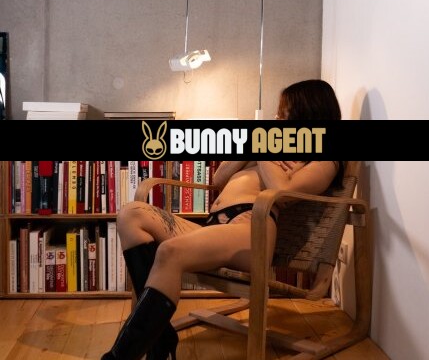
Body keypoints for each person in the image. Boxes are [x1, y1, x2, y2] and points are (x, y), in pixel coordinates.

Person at [102, 79, 345, 360]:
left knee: (169, 252)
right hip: (214, 226)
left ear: (307, 113)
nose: (276, 118)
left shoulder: (325, 157)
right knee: (130, 214)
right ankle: (160, 336)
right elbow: (219, 179)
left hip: (250, 230)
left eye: (283, 113)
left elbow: (284, 191)